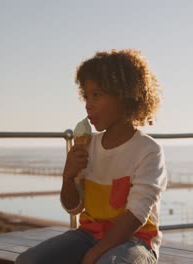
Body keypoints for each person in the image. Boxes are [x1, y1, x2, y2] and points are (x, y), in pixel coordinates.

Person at [15, 49, 167, 264]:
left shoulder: (148, 150)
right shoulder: (88, 146)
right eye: (86, 96)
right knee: (28, 261)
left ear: (125, 95)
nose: (88, 103)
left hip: (135, 241)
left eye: (97, 95)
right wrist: (68, 177)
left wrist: (95, 254)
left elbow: (137, 215)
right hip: (88, 235)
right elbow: (74, 207)